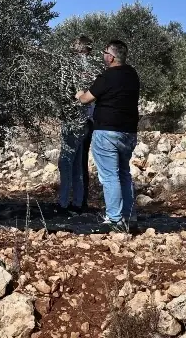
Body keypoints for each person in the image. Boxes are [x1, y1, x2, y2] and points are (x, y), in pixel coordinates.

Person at [76, 40, 140, 228]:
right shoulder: (132, 75)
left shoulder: (107, 76)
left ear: (111, 57)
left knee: (110, 176)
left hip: (107, 132)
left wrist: (79, 94)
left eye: (104, 52)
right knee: (124, 173)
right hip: (128, 132)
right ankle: (129, 216)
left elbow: (86, 99)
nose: (103, 55)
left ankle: (114, 219)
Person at [57, 35, 96, 214]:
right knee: (80, 163)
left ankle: (63, 203)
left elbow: (65, 91)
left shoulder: (70, 67)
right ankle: (79, 202)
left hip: (73, 120)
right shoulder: (95, 68)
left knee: (66, 162)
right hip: (89, 121)